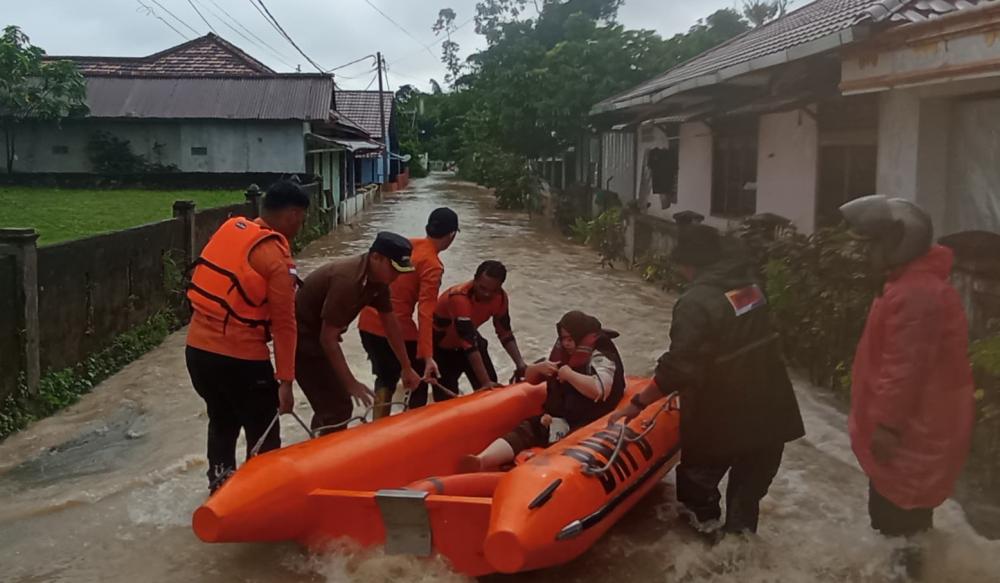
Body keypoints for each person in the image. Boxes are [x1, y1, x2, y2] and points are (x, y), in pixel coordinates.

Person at [611, 224, 804, 539]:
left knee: (696, 491)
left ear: (689, 263)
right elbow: (742, 338)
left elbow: (678, 367)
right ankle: (738, 559)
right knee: (746, 501)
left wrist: (634, 406)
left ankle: (704, 551)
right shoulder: (750, 288)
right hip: (772, 410)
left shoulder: (695, 302)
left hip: (723, 414)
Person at [839, 195, 974, 572]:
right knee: (905, 529)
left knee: (896, 531)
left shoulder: (916, 294)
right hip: (913, 432)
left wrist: (887, 426)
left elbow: (905, 369)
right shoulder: (910, 285)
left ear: (899, 242)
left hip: (910, 435)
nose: (867, 255)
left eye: (873, 246)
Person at [185, 180, 309, 493]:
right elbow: (284, 324)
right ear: (293, 214)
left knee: (222, 422)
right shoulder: (276, 259)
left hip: (197, 353)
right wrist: (286, 382)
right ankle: (265, 503)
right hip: (241, 360)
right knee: (264, 434)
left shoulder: (231, 230)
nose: (301, 225)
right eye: (302, 218)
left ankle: (220, 489)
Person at [459, 311, 625, 472]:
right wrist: (539, 368)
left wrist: (569, 374)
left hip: (590, 419)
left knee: (567, 443)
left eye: (570, 339)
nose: (566, 343)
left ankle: (535, 470)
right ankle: (482, 460)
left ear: (580, 337)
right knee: (528, 429)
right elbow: (530, 379)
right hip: (560, 417)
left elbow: (599, 390)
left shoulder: (601, 355)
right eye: (563, 338)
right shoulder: (563, 353)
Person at [295, 232, 422, 433]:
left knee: (334, 405)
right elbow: (327, 339)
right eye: (394, 269)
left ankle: (319, 443)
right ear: (376, 257)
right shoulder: (348, 280)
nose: (396, 277)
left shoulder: (378, 281)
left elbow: (391, 324)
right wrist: (351, 383)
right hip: (301, 340)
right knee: (338, 407)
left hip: (320, 337)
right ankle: (322, 454)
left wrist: (406, 367)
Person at [358, 208, 459, 417]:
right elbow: (425, 312)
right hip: (396, 327)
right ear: (451, 236)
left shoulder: (407, 245)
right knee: (420, 379)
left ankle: (378, 424)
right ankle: (412, 424)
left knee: (385, 376)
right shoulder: (432, 264)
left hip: (366, 322)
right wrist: (428, 356)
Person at [431, 260, 528, 396]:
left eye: (493, 290)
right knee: (446, 400)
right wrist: (485, 382)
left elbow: (505, 333)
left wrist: (521, 364)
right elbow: (467, 342)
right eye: (483, 288)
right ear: (475, 279)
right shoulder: (459, 297)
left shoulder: (501, 298)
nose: (487, 294)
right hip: (442, 350)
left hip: (471, 342)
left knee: (493, 389)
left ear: (500, 287)